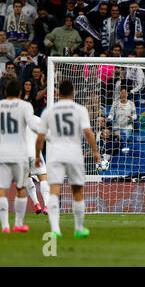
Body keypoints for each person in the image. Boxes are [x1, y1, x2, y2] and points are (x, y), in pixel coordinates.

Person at [35, 79, 101, 238]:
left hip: (55, 153)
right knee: (77, 191)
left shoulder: (49, 111)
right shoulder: (80, 109)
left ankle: (55, 230)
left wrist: (37, 155)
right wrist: (95, 152)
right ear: (73, 93)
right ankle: (79, 229)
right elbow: (88, 132)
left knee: (54, 191)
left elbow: (40, 137)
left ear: (57, 93)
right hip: (74, 153)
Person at [0, 79, 40, 233]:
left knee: (1, 190)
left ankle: (5, 226)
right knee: (21, 188)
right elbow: (35, 126)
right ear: (19, 93)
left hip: (2, 154)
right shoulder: (25, 106)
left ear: (4, 92)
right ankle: (18, 224)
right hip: (20, 154)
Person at [24, 115, 49, 215]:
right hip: (35, 152)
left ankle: (36, 204)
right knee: (43, 178)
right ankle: (46, 205)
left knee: (27, 177)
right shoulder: (38, 120)